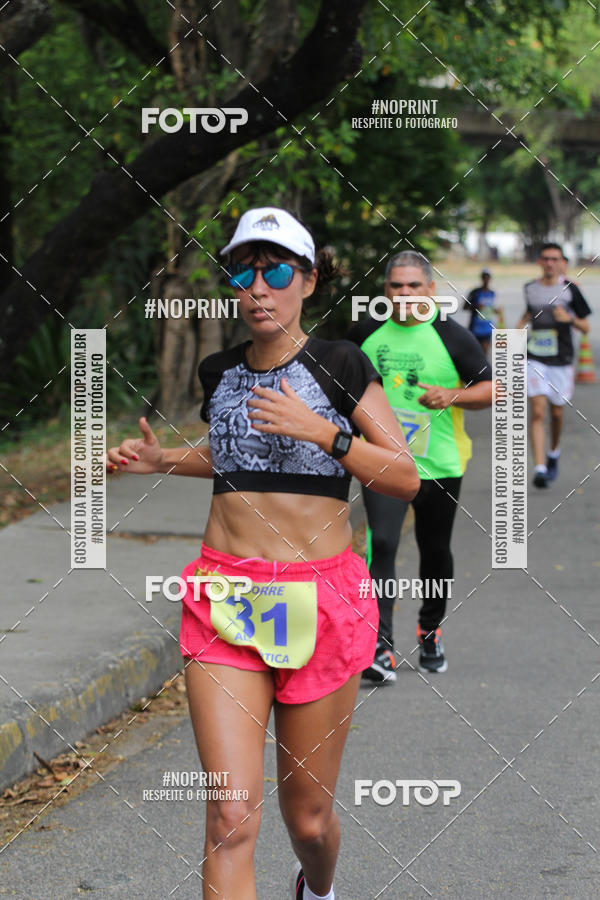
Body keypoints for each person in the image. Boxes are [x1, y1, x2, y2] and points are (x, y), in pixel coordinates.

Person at [106, 207, 419, 900]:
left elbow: (402, 478)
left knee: (308, 820)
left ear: (308, 280)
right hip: (227, 596)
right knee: (229, 815)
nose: (257, 288)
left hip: (321, 599)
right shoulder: (219, 371)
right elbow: (234, 456)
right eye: (242, 273)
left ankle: (318, 888)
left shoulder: (341, 364)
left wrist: (324, 433)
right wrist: (161, 460)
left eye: (276, 271)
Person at [349, 250, 492, 680]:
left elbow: (493, 389)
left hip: (440, 464)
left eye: (414, 285)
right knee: (382, 544)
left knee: (435, 551)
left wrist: (453, 396)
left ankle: (430, 631)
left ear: (431, 289)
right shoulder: (365, 333)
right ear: (385, 290)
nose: (405, 294)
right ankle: (380, 647)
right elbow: (340, 388)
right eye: (396, 286)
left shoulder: (452, 337)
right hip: (383, 462)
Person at [516, 242, 591, 488]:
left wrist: (569, 319)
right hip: (535, 357)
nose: (549, 263)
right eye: (546, 258)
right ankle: (539, 468)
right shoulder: (530, 288)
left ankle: (553, 453)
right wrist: (517, 329)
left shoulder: (571, 289)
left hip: (562, 359)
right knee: (538, 411)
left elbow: (586, 327)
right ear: (540, 261)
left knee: (556, 413)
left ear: (561, 263)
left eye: (554, 259)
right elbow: (529, 313)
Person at [464, 268, 502, 356]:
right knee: (474, 355)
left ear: (490, 278)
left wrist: (495, 311)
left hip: (487, 329)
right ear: (481, 278)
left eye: (487, 277)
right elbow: (465, 307)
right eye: (484, 277)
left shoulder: (492, 293)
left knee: (484, 355)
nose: (486, 279)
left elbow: (491, 308)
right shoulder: (474, 292)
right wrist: (476, 307)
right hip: (475, 329)